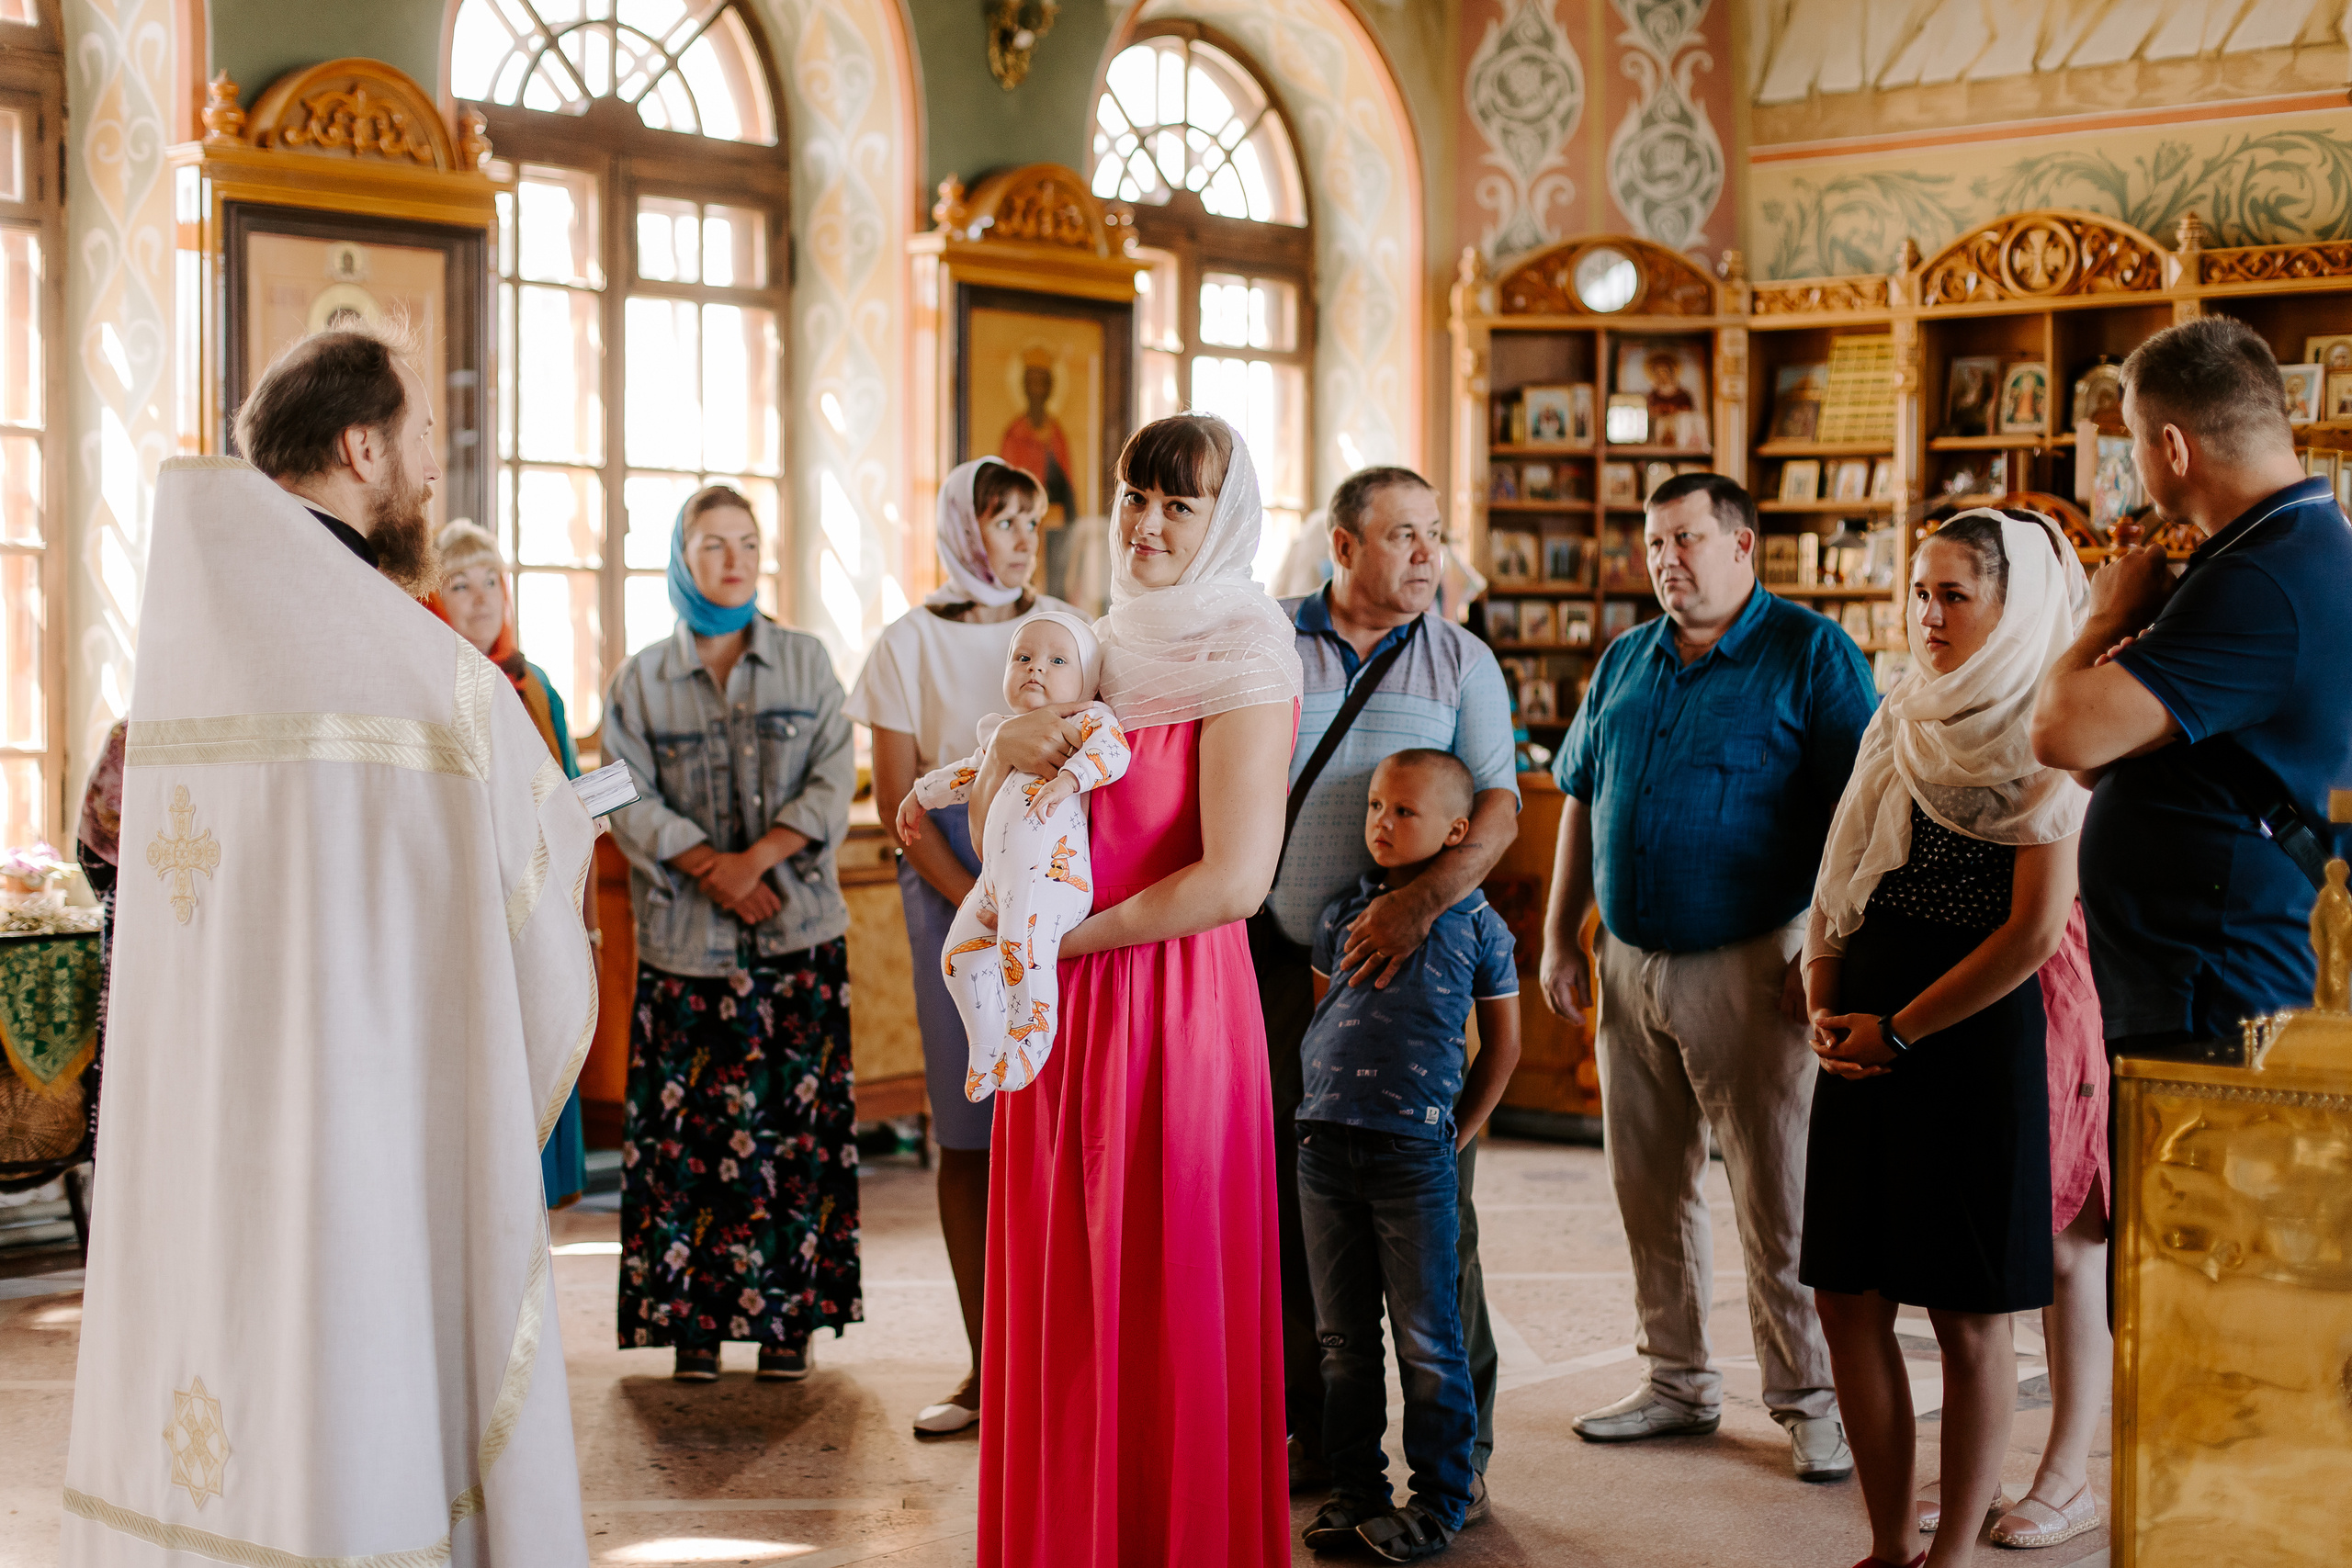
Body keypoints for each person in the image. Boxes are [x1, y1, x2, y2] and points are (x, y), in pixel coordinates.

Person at [63, 328, 599, 1563]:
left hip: (208, 1126)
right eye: (417, 443)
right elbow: (528, 885)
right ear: (361, 445)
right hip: (364, 1121)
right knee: (358, 1389)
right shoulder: (420, 670)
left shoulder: (194, 646)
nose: (425, 474)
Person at [973, 412, 1301, 1566]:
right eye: (1133, 496)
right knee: (1063, 1305)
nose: (1147, 524)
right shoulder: (1095, 642)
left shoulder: (1247, 657)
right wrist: (1007, 752)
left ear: (1226, 523)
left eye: (1178, 505)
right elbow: (1011, 834)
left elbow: (1231, 882)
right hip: (1059, 1019)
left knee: (1164, 1307)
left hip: (1169, 1007)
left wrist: (1059, 950)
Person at [1538, 471, 1872, 1479]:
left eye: (1684, 539)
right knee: (1648, 1189)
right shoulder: (1624, 661)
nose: (1665, 560)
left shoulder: (1811, 654)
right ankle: (1677, 1383)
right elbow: (1579, 798)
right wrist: (1560, 935)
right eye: (1653, 543)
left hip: (1752, 967)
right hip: (1628, 961)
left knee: (1778, 1194)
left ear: (1741, 545)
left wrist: (1820, 957)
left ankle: (1811, 1402)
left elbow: (1860, 823)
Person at [1804, 509, 2086, 1568]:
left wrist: (1903, 1034)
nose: (1926, 614)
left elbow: (2034, 932)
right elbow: (1842, 875)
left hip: (1966, 1032)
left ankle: (1952, 1554)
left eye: (1953, 594)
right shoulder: (1902, 713)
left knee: (1970, 1317)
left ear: (2010, 610)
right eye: (1918, 591)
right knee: (1845, 1292)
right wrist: (1825, 992)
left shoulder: (2049, 732)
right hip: (1866, 1016)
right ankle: (1886, 1543)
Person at [1258, 466, 1520, 1505]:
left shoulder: (1462, 659)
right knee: (1298, 1208)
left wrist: (1414, 907)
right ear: (1342, 544)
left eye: (1434, 535)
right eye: (1404, 535)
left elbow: (1495, 811)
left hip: (1412, 979)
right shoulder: (1268, 642)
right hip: (1281, 960)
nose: (1428, 555)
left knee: (1433, 1214)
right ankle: (1323, 1443)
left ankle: (1462, 1455)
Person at [2030, 313, 2352, 1056]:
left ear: (2170, 447)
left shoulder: (2262, 580)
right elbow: (2096, 755)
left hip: (2224, 995)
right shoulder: (2289, 545)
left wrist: (2106, 614)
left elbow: (2058, 731)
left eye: (2134, 440)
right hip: (2214, 979)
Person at [603, 484, 860, 1383]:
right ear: (681, 557)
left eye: (747, 542)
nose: (735, 559)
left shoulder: (804, 660)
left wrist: (760, 861)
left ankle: (789, 1325)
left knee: (794, 1140)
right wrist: (713, 863)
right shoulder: (639, 678)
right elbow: (618, 793)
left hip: (795, 935)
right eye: (712, 544)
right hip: (685, 946)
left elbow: (835, 776)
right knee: (688, 1149)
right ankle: (694, 1331)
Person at [843, 456, 1071, 1434]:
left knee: (1055, 1125)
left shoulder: (1059, 629)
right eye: (1002, 519)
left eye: (1030, 519)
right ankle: (987, 1367)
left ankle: (1059, 1362)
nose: (1021, 537)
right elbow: (903, 806)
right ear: (962, 529)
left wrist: (1030, 900)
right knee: (967, 1127)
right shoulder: (905, 643)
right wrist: (982, 900)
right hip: (950, 897)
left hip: (1055, 900)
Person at [1296, 750, 1522, 1563]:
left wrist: (1456, 1133)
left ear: (1458, 832)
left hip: (1414, 1153)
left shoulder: (1478, 925)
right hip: (1324, 1146)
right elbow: (1330, 1021)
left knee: (1429, 1336)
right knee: (1343, 1339)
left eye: (1405, 812)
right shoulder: (1338, 913)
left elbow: (1504, 1043)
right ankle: (1355, 1489)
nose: (1382, 825)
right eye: (1376, 808)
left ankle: (1441, 1497)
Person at [426, 519, 592, 1210]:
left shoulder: (536, 686)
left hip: (540, 910)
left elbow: (569, 792)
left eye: (491, 579)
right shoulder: (431, 679)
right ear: (433, 597)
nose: (481, 597)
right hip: (467, 910)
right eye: (459, 583)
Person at [897, 609, 1131, 1095]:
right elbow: (963, 776)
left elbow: (1114, 752)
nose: (1035, 668)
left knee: (1019, 951)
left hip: (1053, 881)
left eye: (1057, 660)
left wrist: (1070, 778)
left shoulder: (1086, 719)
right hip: (998, 884)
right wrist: (920, 795)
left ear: (1087, 682)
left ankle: (1031, 1040)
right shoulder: (1002, 734)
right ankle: (985, 1049)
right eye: (1022, 657)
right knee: (957, 961)